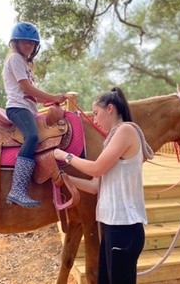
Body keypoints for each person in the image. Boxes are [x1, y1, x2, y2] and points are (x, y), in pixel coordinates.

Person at [54, 87, 154, 283]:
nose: (95, 119)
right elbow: (94, 186)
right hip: (111, 226)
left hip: (124, 227)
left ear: (110, 109)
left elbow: (96, 169)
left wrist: (65, 156)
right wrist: (63, 177)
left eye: (96, 113)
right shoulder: (113, 139)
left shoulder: (126, 130)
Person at [4, 21, 67, 207]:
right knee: (32, 136)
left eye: (31, 43)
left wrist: (51, 100)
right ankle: (17, 189)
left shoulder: (25, 63)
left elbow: (32, 95)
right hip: (17, 108)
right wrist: (52, 96)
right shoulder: (15, 59)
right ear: (15, 43)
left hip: (28, 108)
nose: (28, 46)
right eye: (24, 42)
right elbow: (26, 88)